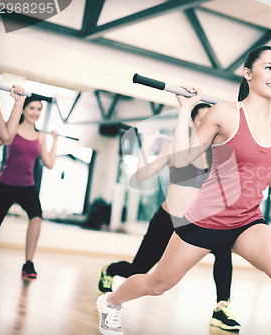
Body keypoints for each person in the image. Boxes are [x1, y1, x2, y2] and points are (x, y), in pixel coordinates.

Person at [96, 45, 271, 335]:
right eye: (269, 67)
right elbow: (183, 160)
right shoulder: (225, 114)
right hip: (207, 219)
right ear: (248, 73)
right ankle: (111, 302)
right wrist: (186, 110)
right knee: (157, 284)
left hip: (247, 221)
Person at [97, 103, 241, 332]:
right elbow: (142, 175)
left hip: (201, 224)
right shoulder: (177, 147)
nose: (206, 123)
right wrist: (149, 144)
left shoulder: (219, 154)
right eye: (201, 118)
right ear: (193, 122)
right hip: (169, 221)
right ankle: (111, 270)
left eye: (210, 119)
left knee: (224, 253)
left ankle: (222, 306)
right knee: (139, 271)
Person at [0, 96, 59, 279]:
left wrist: (54, 142)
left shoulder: (40, 138)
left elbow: (50, 164)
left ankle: (28, 263)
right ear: (23, 110)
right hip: (6, 184)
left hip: (27, 186)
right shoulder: (11, 130)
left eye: (39, 109)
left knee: (36, 217)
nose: (35, 113)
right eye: (32, 108)